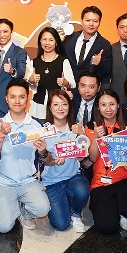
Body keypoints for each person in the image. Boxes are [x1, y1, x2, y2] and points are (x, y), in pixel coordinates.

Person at [0, 79, 50, 232]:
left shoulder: (37, 125)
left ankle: (25, 211)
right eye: (12, 97)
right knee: (3, 227)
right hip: (3, 181)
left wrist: (43, 151)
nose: (17, 101)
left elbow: (46, 159)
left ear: (28, 98)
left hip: (28, 181)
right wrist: (1, 135)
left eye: (21, 97)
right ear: (6, 99)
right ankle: (11, 206)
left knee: (43, 208)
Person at [85, 89, 127, 234]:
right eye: (103, 104)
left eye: (112, 104)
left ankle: (124, 211)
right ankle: (111, 207)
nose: (108, 109)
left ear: (118, 105)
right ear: (98, 107)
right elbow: (92, 158)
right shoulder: (91, 127)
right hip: (101, 182)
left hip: (125, 179)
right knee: (107, 227)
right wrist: (95, 137)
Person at [38, 89, 89, 232]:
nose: (60, 108)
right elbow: (47, 161)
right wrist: (47, 155)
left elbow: (82, 157)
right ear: (50, 107)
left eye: (64, 104)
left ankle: (76, 213)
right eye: (56, 104)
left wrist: (81, 134)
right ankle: (64, 199)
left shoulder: (76, 128)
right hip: (51, 181)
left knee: (81, 191)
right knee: (61, 225)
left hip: (73, 176)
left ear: (69, 106)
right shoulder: (44, 131)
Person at [27, 27, 74, 120]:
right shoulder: (34, 62)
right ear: (40, 41)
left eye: (51, 40)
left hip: (57, 108)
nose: (47, 43)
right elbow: (31, 88)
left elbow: (73, 85)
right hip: (38, 108)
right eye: (44, 39)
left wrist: (65, 83)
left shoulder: (63, 61)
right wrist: (31, 81)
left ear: (56, 42)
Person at [0, 18, 28, 124]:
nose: (2, 35)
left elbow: (21, 72)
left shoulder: (20, 52)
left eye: (5, 31)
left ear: (11, 32)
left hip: (10, 102)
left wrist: (12, 71)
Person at [62, 5, 113, 88]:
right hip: (68, 88)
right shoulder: (69, 39)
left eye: (95, 21)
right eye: (88, 20)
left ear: (99, 23)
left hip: (89, 90)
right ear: (81, 21)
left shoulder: (105, 45)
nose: (91, 24)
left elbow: (107, 73)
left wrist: (100, 63)